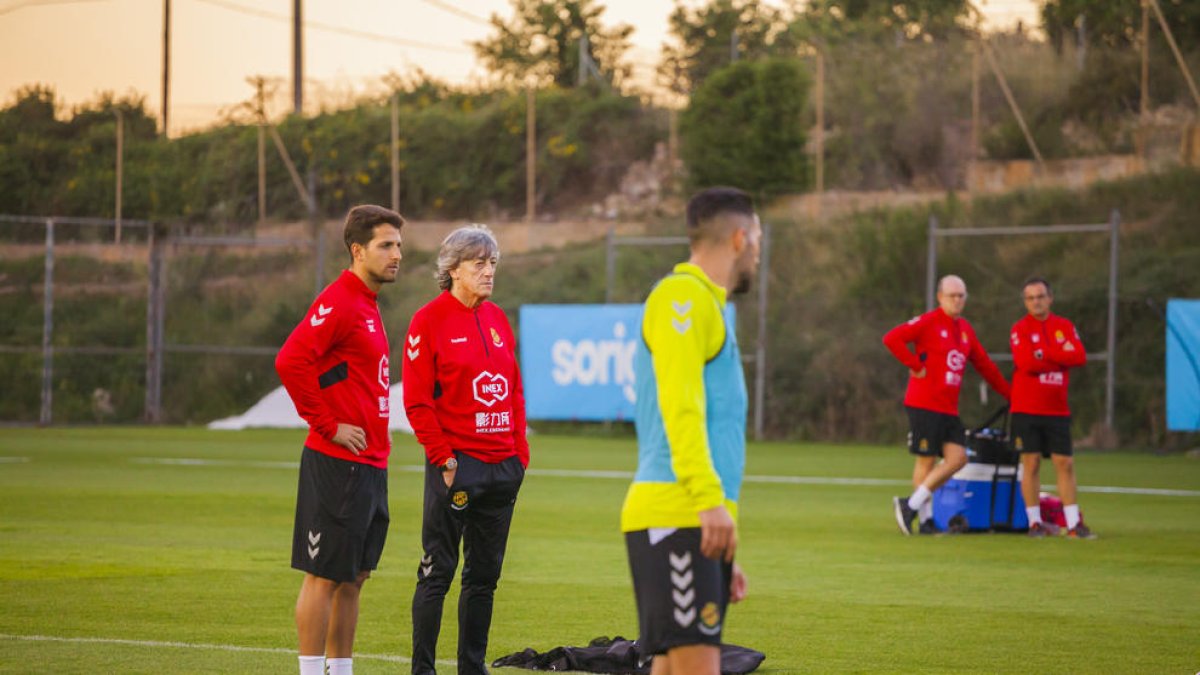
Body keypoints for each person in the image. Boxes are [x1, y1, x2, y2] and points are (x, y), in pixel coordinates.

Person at [621, 187, 760, 675]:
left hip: (693, 522)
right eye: (759, 238)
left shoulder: (713, 305)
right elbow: (681, 406)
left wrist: (721, 546)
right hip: (676, 511)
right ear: (741, 238)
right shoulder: (681, 296)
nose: (759, 252)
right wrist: (706, 502)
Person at [275, 204, 405, 675]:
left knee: (355, 576)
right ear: (357, 250)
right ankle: (312, 672)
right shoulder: (341, 300)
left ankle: (341, 670)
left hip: (372, 462)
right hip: (337, 462)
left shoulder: (367, 304)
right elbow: (291, 361)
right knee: (324, 575)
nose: (396, 255)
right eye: (386, 245)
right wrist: (329, 425)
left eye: (399, 246)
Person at [403, 224, 529, 675]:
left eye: (492, 263)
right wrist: (445, 459)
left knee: (483, 581)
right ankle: (423, 670)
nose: (489, 271)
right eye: (479, 263)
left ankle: (471, 670)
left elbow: (513, 391)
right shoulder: (428, 321)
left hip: (502, 469)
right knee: (438, 573)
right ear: (453, 269)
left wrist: (520, 455)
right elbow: (416, 402)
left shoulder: (497, 319)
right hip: (458, 467)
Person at [884, 274, 1011, 535]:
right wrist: (915, 365)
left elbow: (984, 364)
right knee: (926, 461)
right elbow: (892, 338)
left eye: (961, 295)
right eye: (952, 295)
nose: (957, 300)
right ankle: (926, 520)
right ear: (940, 297)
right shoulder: (929, 321)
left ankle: (911, 505)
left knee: (958, 458)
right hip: (924, 404)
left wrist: (1010, 393)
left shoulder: (965, 330)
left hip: (948, 408)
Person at [1009, 277, 1094, 538]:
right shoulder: (1020, 329)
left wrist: (1043, 353)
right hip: (1026, 408)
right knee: (1031, 463)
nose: (1036, 302)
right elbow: (1026, 364)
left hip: (1057, 410)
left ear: (1050, 298)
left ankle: (1073, 524)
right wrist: (1058, 356)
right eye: (1031, 298)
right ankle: (1034, 523)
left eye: (1040, 296)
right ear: (1025, 302)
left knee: (1064, 462)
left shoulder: (1064, 326)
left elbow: (1078, 356)